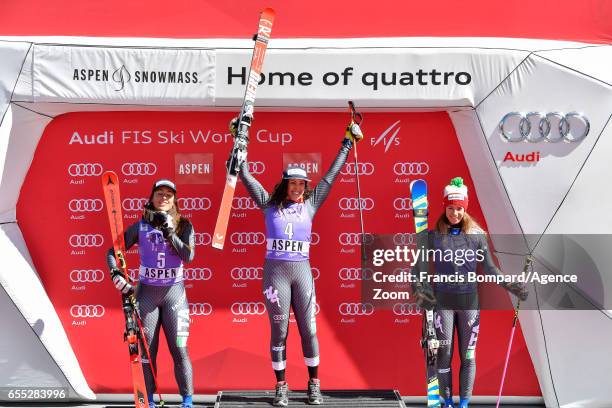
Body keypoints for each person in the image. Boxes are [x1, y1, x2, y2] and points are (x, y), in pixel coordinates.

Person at [233, 118, 363, 406]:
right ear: (285, 184)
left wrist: (346, 143)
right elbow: (245, 175)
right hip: (276, 273)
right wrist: (239, 142)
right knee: (279, 331)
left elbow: (330, 176)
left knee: (308, 328)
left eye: (301, 184)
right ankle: (281, 386)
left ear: (305, 186)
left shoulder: (310, 204)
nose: (297, 188)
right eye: (292, 183)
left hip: (301, 272)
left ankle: (313, 384)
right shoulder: (269, 203)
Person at [412, 177, 528, 408]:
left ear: (465, 209)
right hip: (442, 302)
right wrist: (419, 290)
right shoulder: (433, 236)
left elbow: (491, 269)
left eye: (459, 209)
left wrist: (511, 286)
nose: (455, 213)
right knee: (444, 353)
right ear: (444, 207)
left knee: (468, 355)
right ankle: (447, 402)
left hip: (469, 304)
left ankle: (464, 403)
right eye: (451, 208)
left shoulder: (476, 236)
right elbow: (417, 269)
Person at [106, 179, 196, 408]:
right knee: (148, 351)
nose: (164, 198)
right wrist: (116, 274)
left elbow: (188, 256)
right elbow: (112, 251)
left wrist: (169, 233)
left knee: (180, 350)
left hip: (175, 294)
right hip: (147, 294)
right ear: (152, 198)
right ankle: (148, 401)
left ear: (174, 199)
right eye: (159, 194)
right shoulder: (140, 226)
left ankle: (187, 401)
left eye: (168, 194)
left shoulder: (184, 225)